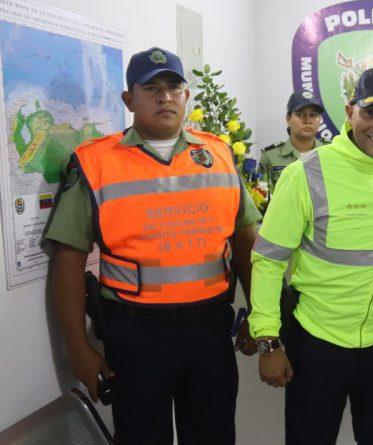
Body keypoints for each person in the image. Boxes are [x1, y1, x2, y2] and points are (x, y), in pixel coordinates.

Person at [46, 47, 260, 444]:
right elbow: (68, 258)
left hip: (209, 328)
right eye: (152, 89)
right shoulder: (95, 162)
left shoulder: (218, 154)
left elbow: (246, 239)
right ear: (129, 99)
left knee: (213, 434)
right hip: (136, 334)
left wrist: (261, 316)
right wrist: (77, 347)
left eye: (174, 88)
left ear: (186, 95)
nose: (165, 97)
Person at [248, 66, 373, 445]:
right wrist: (267, 341)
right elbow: (268, 260)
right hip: (319, 343)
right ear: (350, 112)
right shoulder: (306, 173)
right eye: (371, 113)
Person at [259, 91, 327, 189]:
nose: (307, 120)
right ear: (288, 118)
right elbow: (263, 195)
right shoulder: (270, 156)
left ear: (320, 119)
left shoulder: (330, 152)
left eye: (313, 115)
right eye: (300, 114)